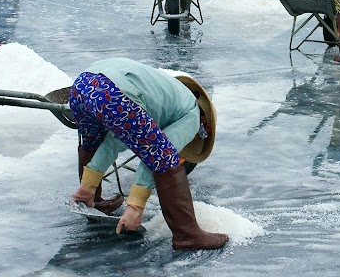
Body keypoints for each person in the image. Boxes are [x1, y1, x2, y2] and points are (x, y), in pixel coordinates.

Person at [69, 57, 228, 250]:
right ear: (205, 121)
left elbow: (113, 142)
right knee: (164, 156)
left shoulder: (165, 94)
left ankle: (88, 195)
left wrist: (87, 185)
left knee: (93, 143)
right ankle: (187, 235)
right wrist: (135, 205)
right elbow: (155, 156)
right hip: (115, 93)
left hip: (81, 87)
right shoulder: (192, 115)